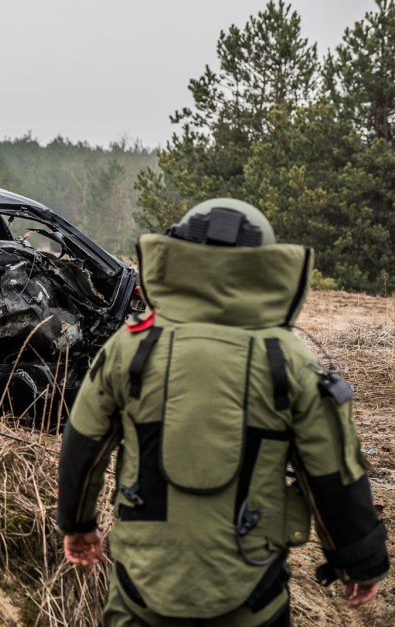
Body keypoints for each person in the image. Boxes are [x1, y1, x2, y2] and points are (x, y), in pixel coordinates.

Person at [56, 199, 389, 625]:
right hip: (253, 595)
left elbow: (81, 446)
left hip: (140, 590)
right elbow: (332, 472)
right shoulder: (289, 359)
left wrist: (77, 524)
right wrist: (359, 561)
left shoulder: (131, 347)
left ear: (177, 259)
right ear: (263, 268)